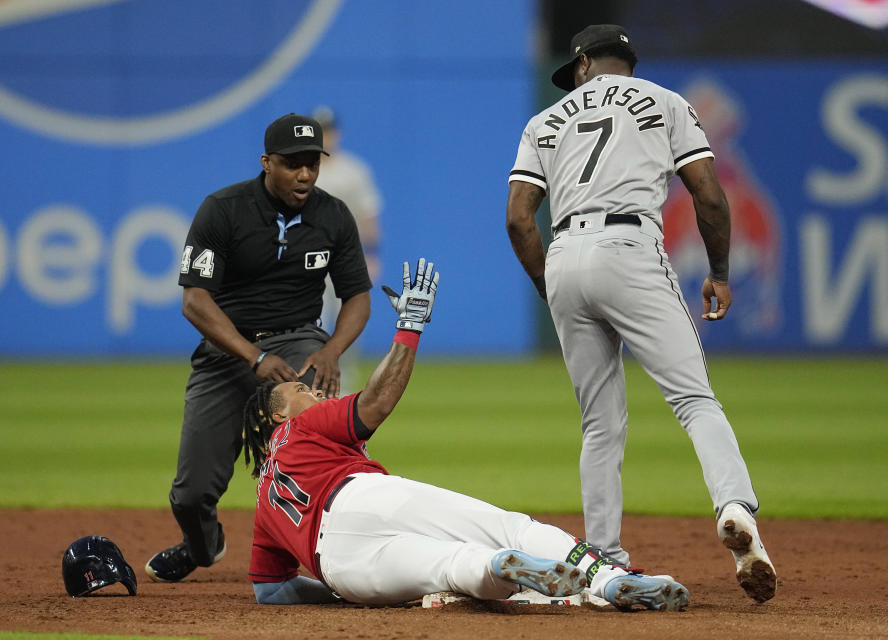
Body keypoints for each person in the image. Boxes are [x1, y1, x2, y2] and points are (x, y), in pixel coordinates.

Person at [245, 258, 690, 612]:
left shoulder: (264, 501)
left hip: (344, 571)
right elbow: (375, 403)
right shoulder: (300, 426)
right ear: (276, 419)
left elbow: (272, 591)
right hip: (358, 499)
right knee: (509, 527)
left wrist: (335, 592)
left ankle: (499, 569)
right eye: (299, 390)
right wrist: (409, 327)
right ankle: (613, 580)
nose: (311, 391)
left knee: (454, 567)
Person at [504, 24, 776, 603]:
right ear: (626, 64)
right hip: (628, 248)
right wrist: (721, 271)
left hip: (565, 252)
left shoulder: (544, 120)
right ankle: (734, 506)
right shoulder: (665, 101)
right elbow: (707, 193)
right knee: (693, 399)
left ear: (581, 66)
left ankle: (604, 561)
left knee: (600, 424)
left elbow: (519, 218)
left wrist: (548, 284)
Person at [145, 113, 373, 583]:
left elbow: (358, 297)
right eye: (293, 164)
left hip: (300, 342)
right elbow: (194, 300)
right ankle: (201, 545)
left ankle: (328, 552)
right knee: (190, 495)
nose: (306, 174)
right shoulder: (223, 209)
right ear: (267, 162)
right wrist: (252, 357)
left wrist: (330, 352)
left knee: (316, 453)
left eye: (313, 163)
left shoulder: (332, 215)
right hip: (229, 350)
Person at [312, 106, 383, 393]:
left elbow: (368, 216)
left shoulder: (354, 171)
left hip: (345, 259)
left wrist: (373, 254)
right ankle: (308, 389)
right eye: (321, 131)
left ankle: (344, 393)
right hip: (308, 262)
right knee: (310, 329)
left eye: (329, 131)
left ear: (336, 134)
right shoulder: (303, 171)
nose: (326, 137)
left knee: (347, 329)